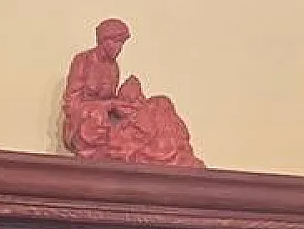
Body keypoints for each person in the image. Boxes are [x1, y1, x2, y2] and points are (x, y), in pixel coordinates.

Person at [61, 19, 202, 168]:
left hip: (106, 116)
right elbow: (72, 105)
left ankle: (169, 150)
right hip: (85, 120)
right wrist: (109, 105)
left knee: (159, 104)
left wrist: (126, 101)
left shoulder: (113, 67)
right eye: (115, 42)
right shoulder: (83, 61)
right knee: (102, 121)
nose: (119, 47)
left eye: (121, 43)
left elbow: (112, 100)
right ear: (102, 41)